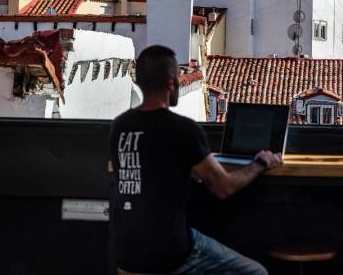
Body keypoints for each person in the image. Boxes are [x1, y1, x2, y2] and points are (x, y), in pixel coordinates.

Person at [110, 45, 282, 275]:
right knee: (256, 272)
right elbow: (224, 187)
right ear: (171, 82)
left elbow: (147, 165)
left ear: (139, 81)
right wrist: (261, 163)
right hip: (169, 253)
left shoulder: (120, 126)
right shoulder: (183, 129)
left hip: (127, 253)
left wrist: (183, 167)